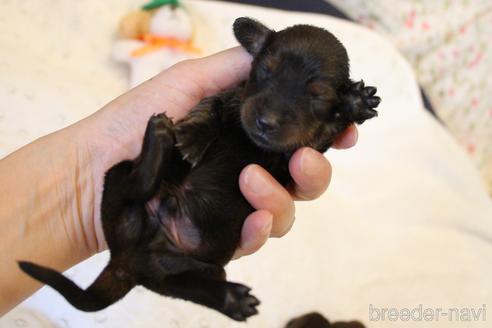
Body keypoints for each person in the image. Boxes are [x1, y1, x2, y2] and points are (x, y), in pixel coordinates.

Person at [0, 47, 357, 314]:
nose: (275, 109)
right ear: (256, 54)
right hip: (147, 198)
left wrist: (343, 116)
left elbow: (313, 136)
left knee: (206, 262)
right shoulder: (236, 95)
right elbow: (215, 108)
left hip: (179, 238)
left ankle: (210, 290)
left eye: (315, 95)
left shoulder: (299, 128)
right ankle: (152, 167)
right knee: (125, 176)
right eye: (271, 73)